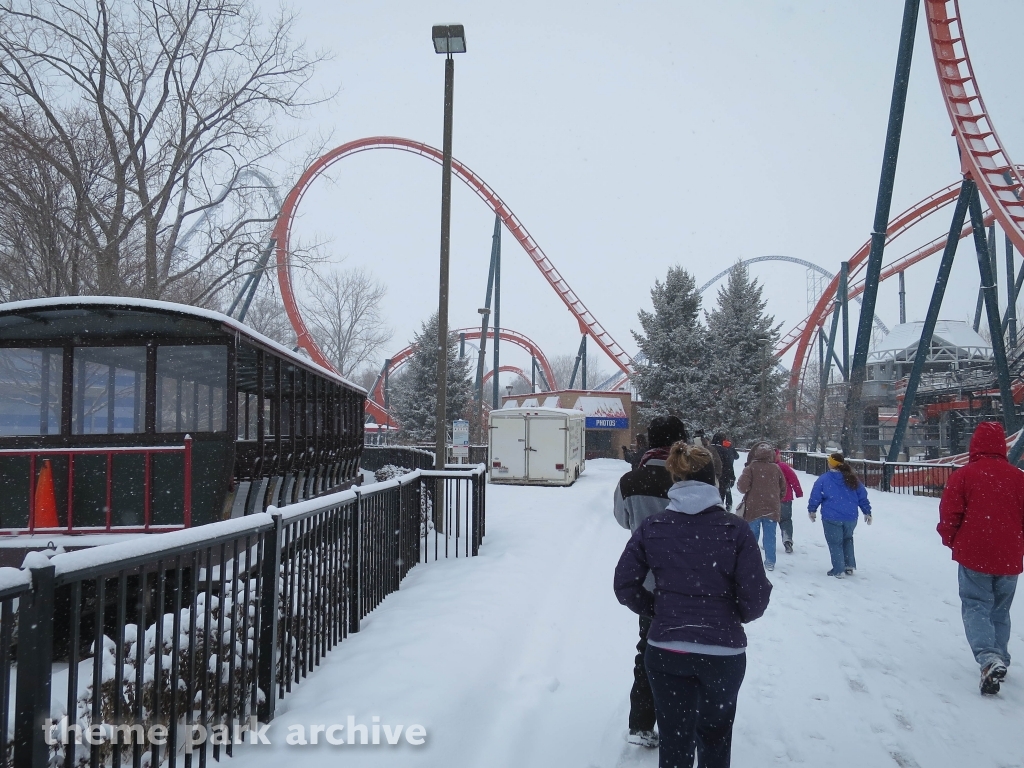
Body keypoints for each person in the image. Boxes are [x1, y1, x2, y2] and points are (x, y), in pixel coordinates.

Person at [614, 443, 772, 768]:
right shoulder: (735, 530)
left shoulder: (653, 527)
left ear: (676, 478)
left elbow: (625, 584)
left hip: (666, 652)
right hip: (723, 655)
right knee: (715, 737)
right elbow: (756, 596)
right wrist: (732, 616)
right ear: (714, 480)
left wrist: (658, 610)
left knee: (674, 739)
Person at [612, 415, 688, 748]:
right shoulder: (690, 478)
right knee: (689, 651)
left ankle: (641, 723)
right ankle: (683, 720)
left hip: (648, 580)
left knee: (648, 649)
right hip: (690, 579)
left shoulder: (630, 481)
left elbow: (622, 519)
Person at [937, 421, 1024, 696]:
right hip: (1009, 556)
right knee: (1000, 609)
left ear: (975, 444)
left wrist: (952, 540)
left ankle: (988, 658)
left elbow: (949, 514)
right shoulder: (1019, 477)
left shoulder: (964, 476)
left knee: (976, 605)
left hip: (974, 553)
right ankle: (1000, 656)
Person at [807, 453, 872, 578]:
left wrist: (812, 510)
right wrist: (867, 511)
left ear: (832, 464)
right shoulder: (852, 478)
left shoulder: (824, 479)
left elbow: (816, 496)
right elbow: (862, 496)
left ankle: (838, 569)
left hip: (831, 517)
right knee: (847, 539)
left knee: (835, 543)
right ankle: (849, 565)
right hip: (850, 517)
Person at [736, 443, 786, 571]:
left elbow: (742, 487)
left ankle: (751, 560)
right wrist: (775, 498)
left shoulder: (751, 468)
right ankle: (770, 561)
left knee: (752, 537)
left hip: (753, 508)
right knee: (770, 536)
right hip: (772, 508)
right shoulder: (776, 468)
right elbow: (783, 488)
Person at [776, 449, 803, 554]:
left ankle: (769, 542)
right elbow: (793, 479)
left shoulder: (765, 467)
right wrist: (798, 492)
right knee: (785, 520)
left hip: (769, 499)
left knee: (769, 521)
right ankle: (787, 540)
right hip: (785, 498)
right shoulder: (783, 466)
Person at [712, 433, 740, 511]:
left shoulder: (708, 449)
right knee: (724, 492)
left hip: (710, 476)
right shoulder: (725, 450)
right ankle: (725, 506)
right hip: (723, 476)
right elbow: (729, 465)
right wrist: (732, 477)